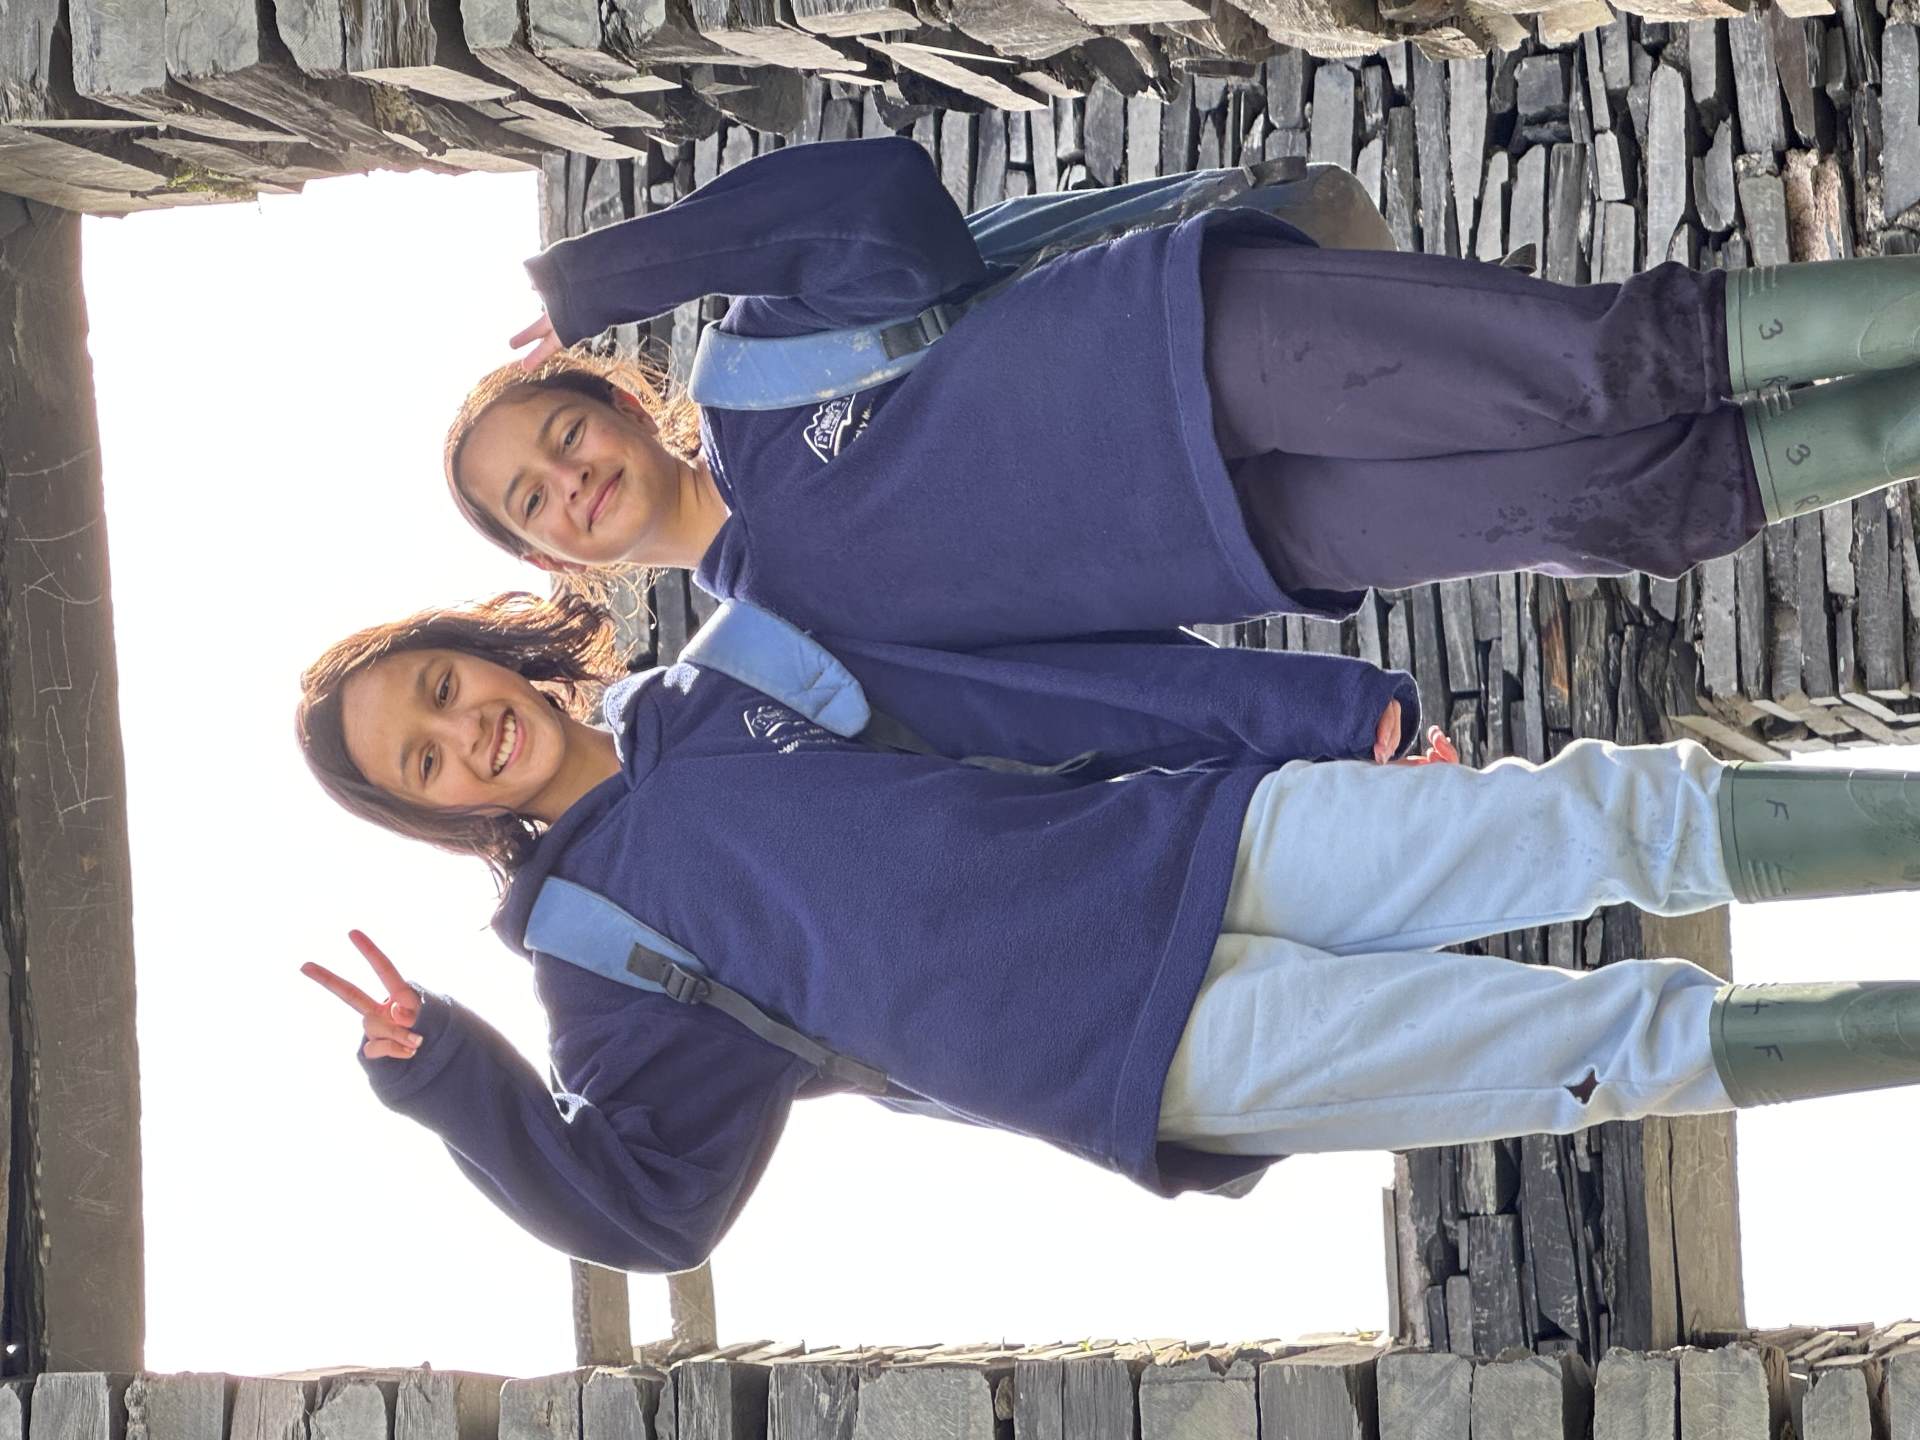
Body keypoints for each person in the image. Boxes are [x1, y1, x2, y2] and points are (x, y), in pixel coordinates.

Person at [298, 591, 1920, 1273]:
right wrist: (445, 1077)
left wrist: (1317, 715)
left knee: (1605, 813)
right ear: (436, 813)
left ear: (480, 648)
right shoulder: (586, 950)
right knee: (1607, 1046)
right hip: (1140, 1057)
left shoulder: (728, 670)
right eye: (423, 763)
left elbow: (1030, 701)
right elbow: (647, 1210)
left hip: (1196, 841)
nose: (463, 733)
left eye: (440, 689)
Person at [440, 135, 1920, 650]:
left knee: (1595, 366)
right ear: (554, 558)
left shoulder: (753, 371)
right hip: (1243, 545)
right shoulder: (767, 646)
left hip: (1188, 348)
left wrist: (608, 274)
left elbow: (886, 206)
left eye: (561, 434)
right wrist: (1298, 723)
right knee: (1618, 508)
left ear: (616, 405)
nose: (570, 480)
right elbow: (1040, 702)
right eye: (532, 500)